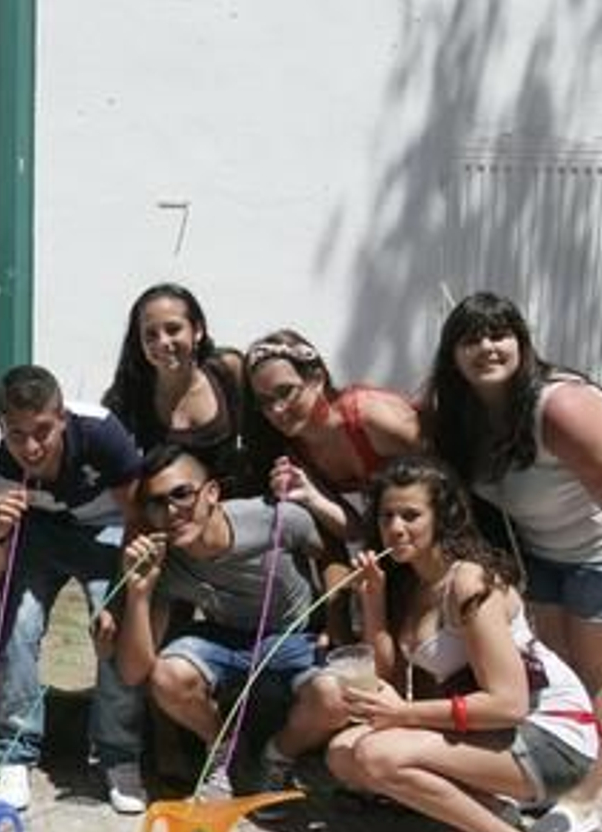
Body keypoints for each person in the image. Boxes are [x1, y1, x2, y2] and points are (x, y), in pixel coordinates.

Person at [423, 292, 602, 832]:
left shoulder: (561, 405)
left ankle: (583, 796)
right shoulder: (458, 417)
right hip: (550, 544)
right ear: (452, 355)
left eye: (500, 334)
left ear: (522, 342)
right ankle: (538, 780)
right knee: (551, 671)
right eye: (470, 338)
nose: (487, 347)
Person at [327, 456, 600, 832]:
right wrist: (373, 602)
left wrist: (406, 715)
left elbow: (509, 703)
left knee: (376, 755)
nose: (395, 528)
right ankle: (486, 813)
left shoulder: (469, 583)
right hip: (495, 731)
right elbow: (390, 677)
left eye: (411, 515)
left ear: (443, 518)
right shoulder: (410, 581)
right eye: (386, 515)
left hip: (551, 738)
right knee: (343, 753)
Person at [116, 445, 346, 805]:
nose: (171, 511)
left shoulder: (273, 517)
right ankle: (224, 751)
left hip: (294, 636)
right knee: (167, 676)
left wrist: (336, 620)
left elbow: (334, 551)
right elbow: (133, 673)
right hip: (226, 640)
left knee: (334, 698)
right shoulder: (164, 559)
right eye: (156, 502)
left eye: (182, 494)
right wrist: (138, 593)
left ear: (212, 493)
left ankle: (277, 758)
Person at [0, 365, 148, 814]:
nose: (30, 446)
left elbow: (137, 516)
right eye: (17, 433)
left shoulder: (102, 433)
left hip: (109, 530)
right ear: (3, 427)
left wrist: (119, 596)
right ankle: (14, 752)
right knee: (18, 623)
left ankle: (118, 754)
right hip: (40, 534)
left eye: (43, 431)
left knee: (114, 628)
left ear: (63, 417)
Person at [242, 328, 421, 543]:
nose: (276, 410)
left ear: (317, 379)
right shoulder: (297, 454)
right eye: (265, 402)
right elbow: (356, 531)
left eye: (285, 392)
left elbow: (450, 463)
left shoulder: (368, 415)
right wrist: (311, 496)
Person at [101, 282, 250, 494]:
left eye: (173, 329)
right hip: (169, 515)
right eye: (150, 335)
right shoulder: (128, 398)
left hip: (232, 508)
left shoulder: (228, 371)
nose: (163, 342)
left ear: (197, 330)